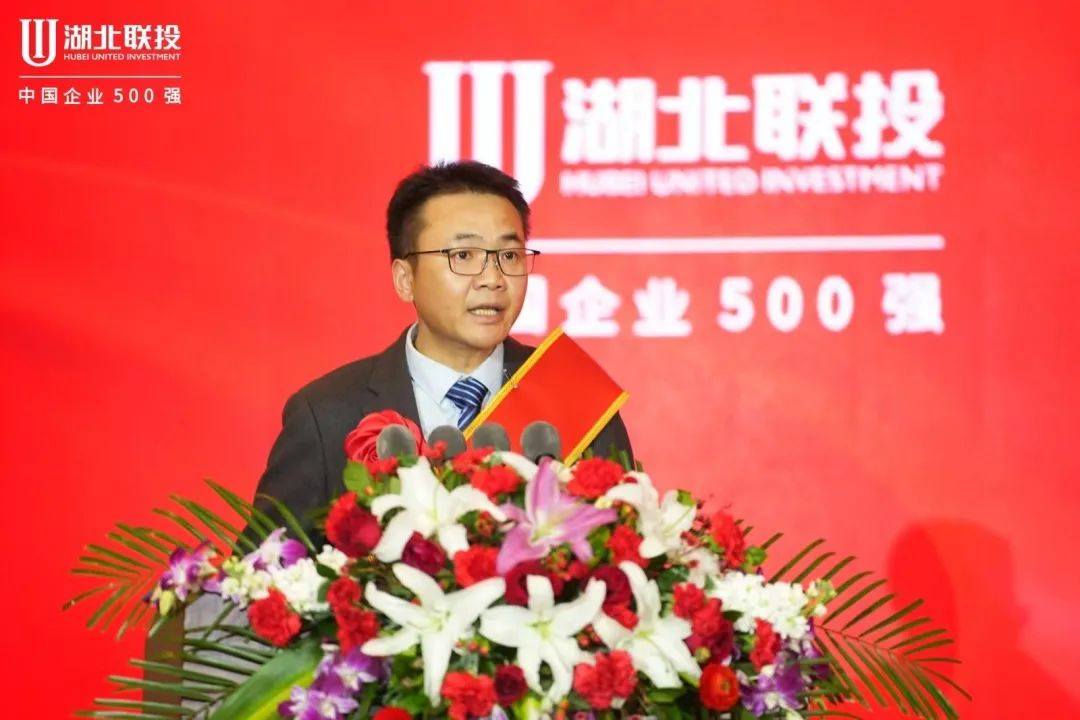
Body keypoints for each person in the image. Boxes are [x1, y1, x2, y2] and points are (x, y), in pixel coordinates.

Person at [252, 161, 634, 526]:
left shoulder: (576, 397)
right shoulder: (326, 415)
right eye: (463, 255)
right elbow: (269, 566)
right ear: (405, 279)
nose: (493, 279)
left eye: (509, 255)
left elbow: (626, 549)